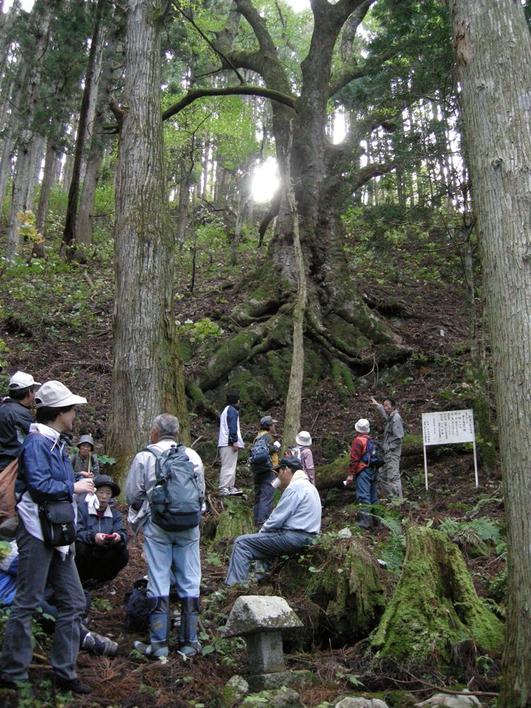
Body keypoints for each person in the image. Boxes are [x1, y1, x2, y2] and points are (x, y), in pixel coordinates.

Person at [0, 380, 95, 695]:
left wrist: (74, 477)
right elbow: (39, 486)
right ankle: (13, 672)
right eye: (71, 409)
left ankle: (63, 672)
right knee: (27, 600)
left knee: (74, 601)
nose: (74, 415)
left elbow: (47, 479)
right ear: (58, 412)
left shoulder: (54, 442)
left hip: (57, 533)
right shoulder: (39, 442)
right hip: (37, 531)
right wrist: (74, 487)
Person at [125, 414, 205, 659]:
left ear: (155, 432)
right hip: (189, 527)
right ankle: (189, 642)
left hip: (158, 526)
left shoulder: (145, 457)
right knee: (190, 578)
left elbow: (131, 495)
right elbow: (200, 493)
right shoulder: (192, 456)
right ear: (177, 432)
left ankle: (158, 644)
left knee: (158, 578)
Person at [225, 456, 321, 586]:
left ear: (286, 470)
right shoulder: (309, 486)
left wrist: (260, 534)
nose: (278, 477)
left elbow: (276, 519)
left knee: (241, 543)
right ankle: (261, 581)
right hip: (309, 536)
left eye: (279, 473)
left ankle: (233, 586)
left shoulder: (295, 487)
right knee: (264, 542)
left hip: (294, 537)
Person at [75, 474, 128, 587]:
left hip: (104, 552)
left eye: (108, 493)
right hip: (87, 552)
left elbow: (122, 532)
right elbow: (76, 532)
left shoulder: (115, 514)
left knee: (123, 553)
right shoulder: (82, 510)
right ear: (94, 493)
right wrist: (93, 537)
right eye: (101, 492)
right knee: (80, 547)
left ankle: (101, 580)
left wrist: (118, 537)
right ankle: (80, 580)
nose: (104, 496)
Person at [0, 371, 40, 472]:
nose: (35, 395)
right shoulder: (21, 413)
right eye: (34, 391)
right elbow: (35, 438)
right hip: (13, 468)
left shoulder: (3, 408)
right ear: (29, 393)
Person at [344, 419, 377, 529]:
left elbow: (354, 459)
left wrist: (350, 474)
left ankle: (366, 521)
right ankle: (378, 520)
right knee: (373, 496)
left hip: (363, 471)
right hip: (373, 470)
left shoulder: (358, 441)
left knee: (363, 496)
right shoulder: (370, 440)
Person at [370, 396, 404, 498]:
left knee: (393, 477)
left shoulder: (396, 418)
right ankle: (390, 497)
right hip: (387, 454)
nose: (385, 408)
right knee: (381, 475)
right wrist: (378, 406)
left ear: (393, 407)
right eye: (384, 406)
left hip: (392, 454)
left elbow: (399, 437)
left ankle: (398, 501)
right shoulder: (390, 417)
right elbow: (385, 415)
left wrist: (389, 448)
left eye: (387, 406)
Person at [250, 415, 281, 527]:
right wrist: (276, 446)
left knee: (258, 497)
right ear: (269, 426)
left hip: (258, 471)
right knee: (267, 496)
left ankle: (256, 521)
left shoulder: (258, 437)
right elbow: (270, 451)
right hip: (268, 470)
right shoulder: (268, 437)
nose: (275, 426)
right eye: (273, 424)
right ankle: (263, 523)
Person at [217, 390, 245, 496]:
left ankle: (230, 487)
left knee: (231, 465)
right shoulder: (232, 410)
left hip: (225, 442)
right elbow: (232, 427)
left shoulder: (226, 410)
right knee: (228, 466)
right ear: (236, 401)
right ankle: (224, 487)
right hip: (228, 443)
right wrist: (234, 441)